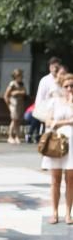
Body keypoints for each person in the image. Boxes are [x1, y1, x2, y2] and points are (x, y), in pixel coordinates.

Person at [42, 73, 73, 225]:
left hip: (72, 142)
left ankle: (68, 213)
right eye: (66, 86)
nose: (69, 89)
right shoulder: (55, 101)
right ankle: (54, 212)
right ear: (62, 86)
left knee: (70, 179)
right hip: (57, 141)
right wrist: (67, 121)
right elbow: (48, 121)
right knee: (55, 179)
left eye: (72, 86)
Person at [4, 69, 27, 144]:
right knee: (14, 120)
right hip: (13, 104)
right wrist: (8, 104)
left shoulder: (21, 84)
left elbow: (24, 92)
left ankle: (17, 136)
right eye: (18, 76)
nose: (20, 77)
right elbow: (6, 95)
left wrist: (19, 92)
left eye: (20, 76)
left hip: (20, 104)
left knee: (18, 121)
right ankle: (10, 136)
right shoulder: (12, 84)